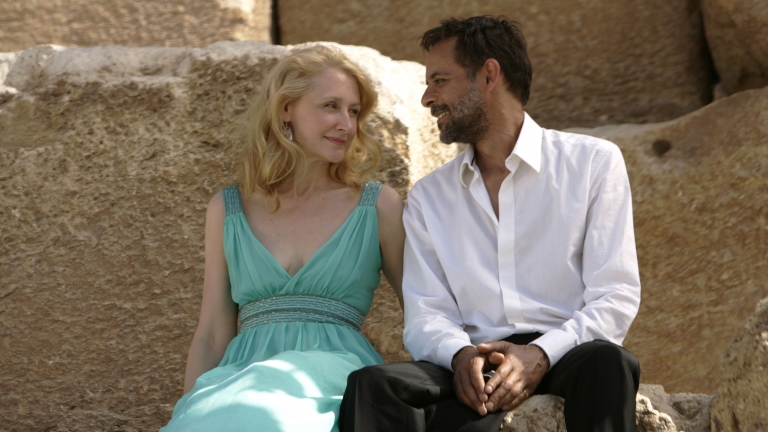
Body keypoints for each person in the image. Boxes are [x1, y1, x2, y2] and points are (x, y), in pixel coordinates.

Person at [340, 16, 641, 432]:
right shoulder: (430, 195)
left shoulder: (593, 163)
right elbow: (426, 312)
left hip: (567, 353)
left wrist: (541, 353)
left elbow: (615, 296)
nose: (427, 98)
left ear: (489, 75)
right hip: (472, 362)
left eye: (439, 81)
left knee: (609, 360)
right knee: (374, 385)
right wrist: (459, 355)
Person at [161, 45, 405, 432]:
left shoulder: (378, 206)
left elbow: (423, 310)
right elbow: (212, 334)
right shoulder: (227, 208)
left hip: (335, 382)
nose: (346, 124)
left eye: (354, 111)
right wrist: (188, 410)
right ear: (286, 109)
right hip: (238, 382)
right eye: (331, 106)